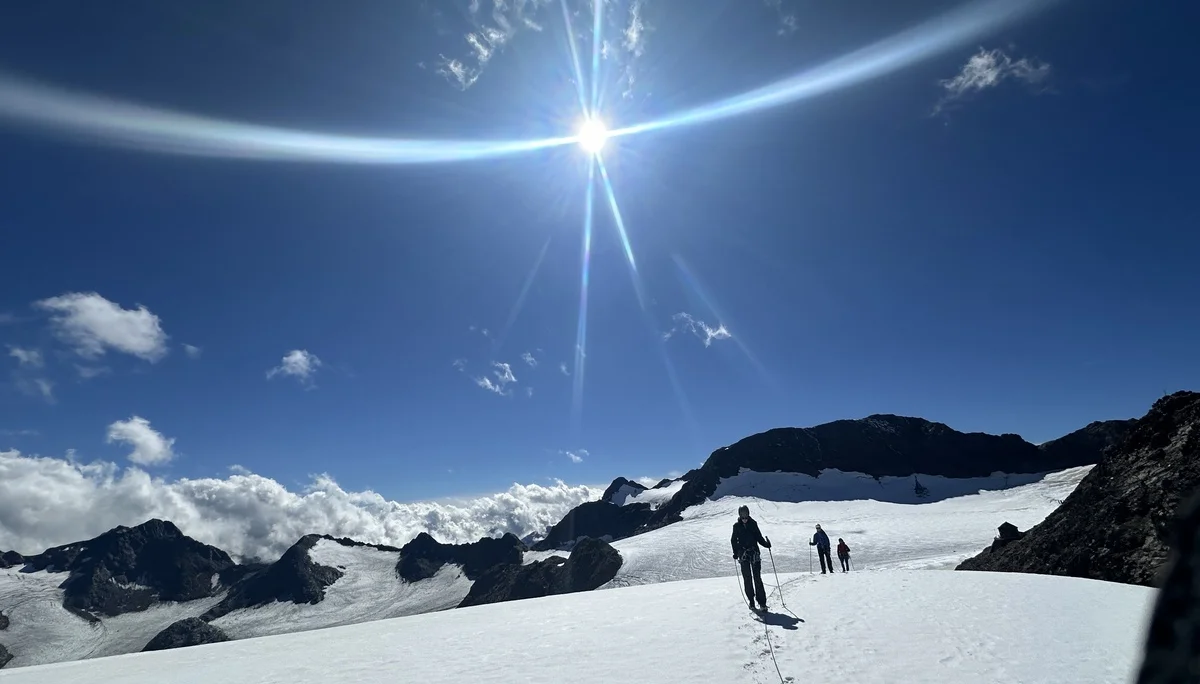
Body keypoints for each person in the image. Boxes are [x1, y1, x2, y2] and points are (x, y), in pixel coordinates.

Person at [731, 504, 771, 610]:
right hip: (743, 555)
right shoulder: (736, 526)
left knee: (757, 578)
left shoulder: (753, 524)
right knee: (747, 578)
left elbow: (758, 537)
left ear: (748, 514)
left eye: (746, 516)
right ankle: (752, 601)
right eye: (742, 516)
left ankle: (762, 603)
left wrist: (766, 544)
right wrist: (735, 552)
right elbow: (733, 540)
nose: (744, 518)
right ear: (739, 515)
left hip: (754, 554)